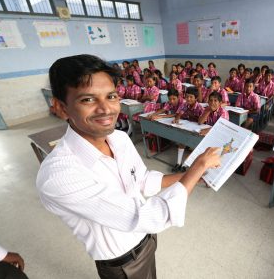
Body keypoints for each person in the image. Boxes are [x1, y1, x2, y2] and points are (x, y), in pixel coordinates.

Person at [37, 54, 220, 279]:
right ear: (60, 107)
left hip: (146, 240)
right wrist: (197, 167)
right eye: (88, 100)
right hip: (122, 262)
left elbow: (143, 180)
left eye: (111, 96)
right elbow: (149, 216)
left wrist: (196, 174)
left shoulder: (119, 139)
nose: (106, 109)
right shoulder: (59, 175)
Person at [173, 87, 205, 172]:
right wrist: (177, 118)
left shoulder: (200, 108)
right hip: (187, 127)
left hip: (197, 130)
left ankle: (184, 164)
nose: (188, 99)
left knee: (195, 145)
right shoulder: (184, 104)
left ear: (196, 98)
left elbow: (201, 122)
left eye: (191, 97)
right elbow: (179, 113)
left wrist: (192, 116)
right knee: (182, 140)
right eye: (187, 97)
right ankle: (178, 163)